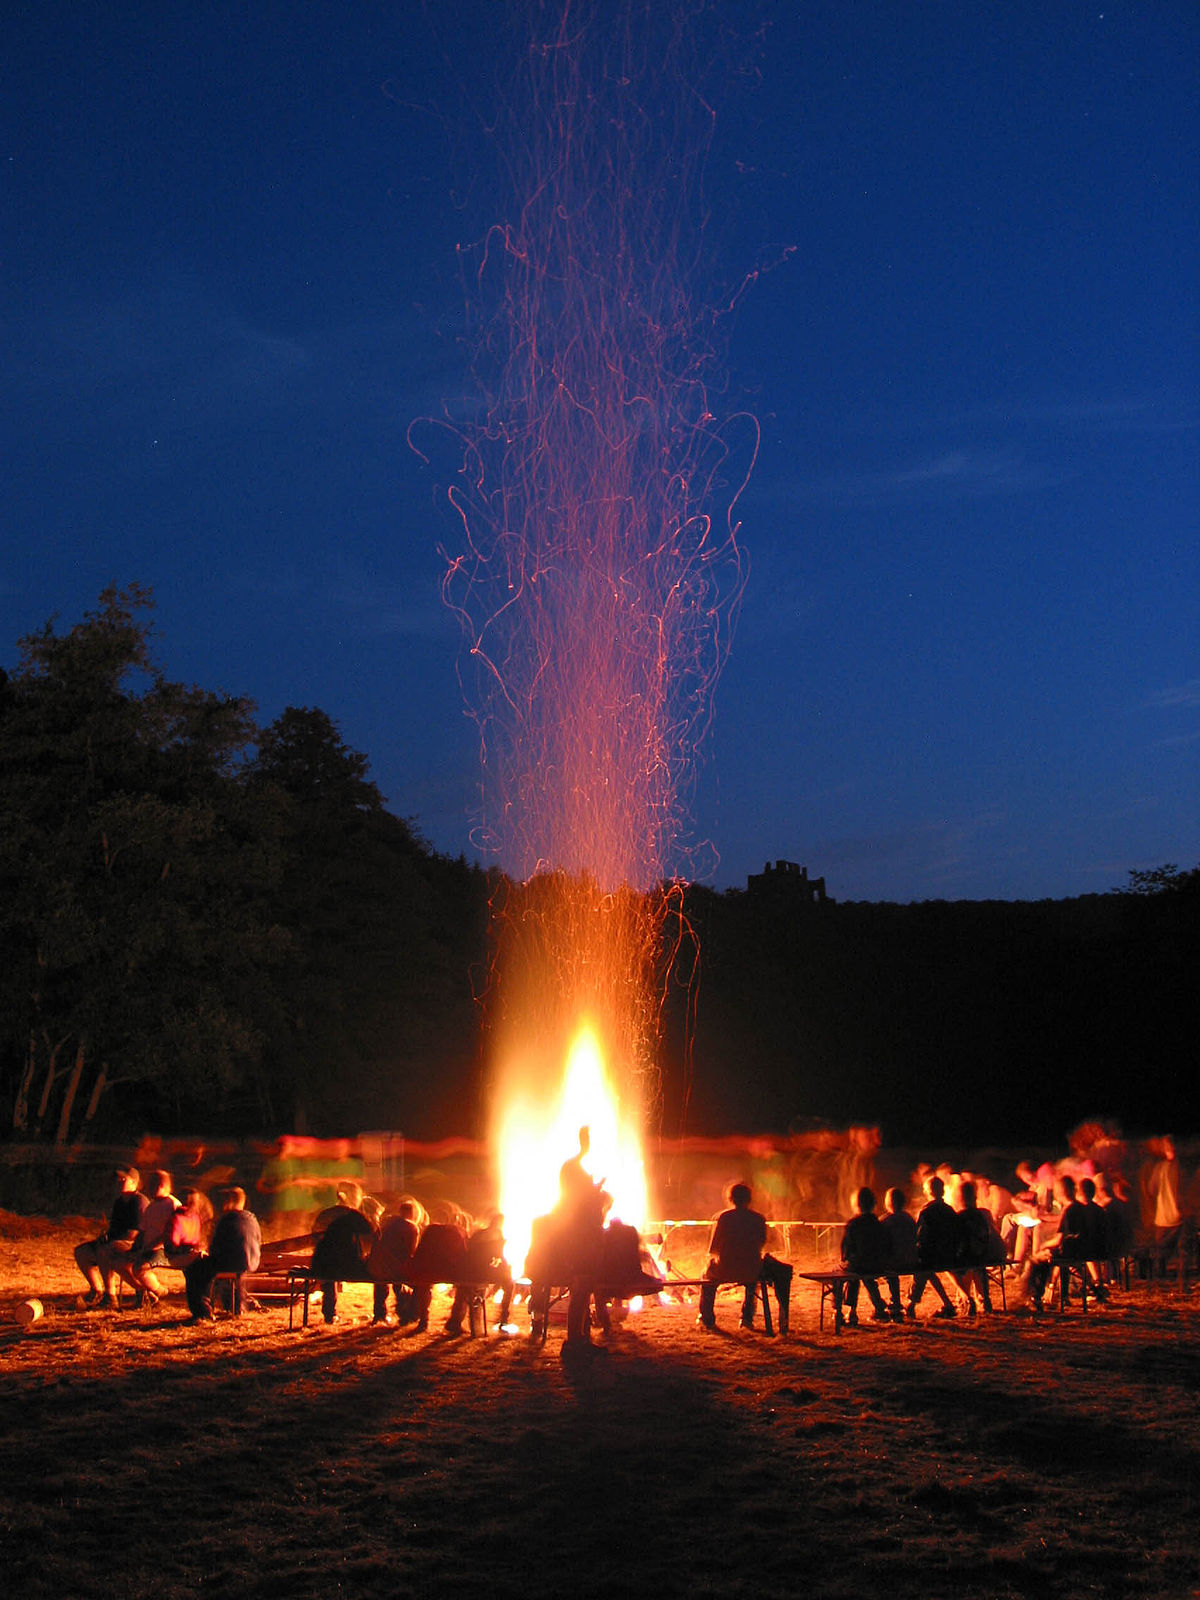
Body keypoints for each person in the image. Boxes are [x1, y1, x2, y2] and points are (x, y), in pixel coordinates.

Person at [697, 1182, 791, 1334]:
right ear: (749, 1199)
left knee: (706, 1276)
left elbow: (713, 1248)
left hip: (725, 1269)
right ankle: (747, 1318)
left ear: (731, 1198)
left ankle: (706, 1317)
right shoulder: (759, 1219)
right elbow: (762, 1243)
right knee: (753, 1281)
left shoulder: (724, 1218)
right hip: (751, 1269)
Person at [185, 1187, 262, 1322]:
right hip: (251, 1261)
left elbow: (215, 1247)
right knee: (226, 1275)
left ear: (230, 1202)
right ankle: (237, 1305)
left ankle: (202, 1311)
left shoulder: (226, 1220)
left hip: (230, 1262)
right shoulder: (252, 1218)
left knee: (194, 1269)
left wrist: (206, 1253)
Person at [75, 1167, 148, 1309]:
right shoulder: (119, 1202)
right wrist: (106, 1236)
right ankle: (96, 1290)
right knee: (81, 1252)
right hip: (116, 1241)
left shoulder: (139, 1202)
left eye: (123, 1179)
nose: (119, 1182)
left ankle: (111, 1295)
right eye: (118, 1179)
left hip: (134, 1244)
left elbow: (134, 1233)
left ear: (134, 1183)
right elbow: (114, 1227)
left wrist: (111, 1242)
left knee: (105, 1251)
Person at [310, 1189, 377, 1325]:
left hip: (323, 1266)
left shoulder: (334, 1224)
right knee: (377, 1273)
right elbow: (369, 1230)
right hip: (341, 1268)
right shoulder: (351, 1222)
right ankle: (380, 1314)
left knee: (329, 1278)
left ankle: (329, 1315)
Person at [445, 1212, 513, 1336]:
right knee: (509, 1284)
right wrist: (505, 1269)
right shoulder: (497, 1234)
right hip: (482, 1273)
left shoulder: (477, 1234)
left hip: (467, 1270)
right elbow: (498, 1256)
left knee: (466, 1289)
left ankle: (455, 1320)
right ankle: (503, 1317)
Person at [121, 1169, 181, 1308]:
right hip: (148, 1249)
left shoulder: (172, 1205)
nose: (149, 1189)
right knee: (121, 1261)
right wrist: (135, 1247)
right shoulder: (152, 1206)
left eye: (152, 1185)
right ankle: (146, 1296)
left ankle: (160, 1291)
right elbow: (143, 1230)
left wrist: (152, 1246)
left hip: (164, 1250)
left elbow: (172, 1232)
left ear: (161, 1186)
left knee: (139, 1268)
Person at [1028, 1174, 1087, 1311]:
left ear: (1060, 1192)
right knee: (1054, 1257)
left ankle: (1035, 1297)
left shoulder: (1068, 1211)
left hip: (1070, 1252)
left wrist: (1044, 1245)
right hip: (1081, 1249)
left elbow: (1059, 1240)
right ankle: (1064, 1296)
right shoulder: (1080, 1207)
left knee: (1037, 1260)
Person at [835, 1187, 892, 1329]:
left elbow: (846, 1250)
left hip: (859, 1264)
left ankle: (843, 1311)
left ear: (856, 1204)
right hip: (876, 1265)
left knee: (845, 1272)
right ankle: (878, 1306)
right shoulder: (878, 1223)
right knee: (866, 1276)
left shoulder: (853, 1224)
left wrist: (845, 1260)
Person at [908, 1175, 959, 1320]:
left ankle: (911, 1305)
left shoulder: (926, 1212)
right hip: (950, 1255)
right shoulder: (949, 1209)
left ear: (928, 1191)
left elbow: (920, 1236)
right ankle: (947, 1304)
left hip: (934, 1257)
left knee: (923, 1267)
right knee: (927, 1269)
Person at [369, 1198, 422, 1325]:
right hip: (395, 1269)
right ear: (413, 1214)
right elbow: (411, 1252)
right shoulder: (411, 1228)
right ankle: (409, 1313)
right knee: (420, 1283)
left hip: (376, 1267)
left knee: (383, 1279)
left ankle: (379, 1314)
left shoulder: (385, 1222)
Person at [954, 1179, 996, 1315]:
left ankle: (964, 1299)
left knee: (961, 1265)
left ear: (960, 1198)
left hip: (967, 1258)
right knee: (978, 1266)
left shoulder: (960, 1216)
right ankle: (984, 1299)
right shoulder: (984, 1214)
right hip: (984, 1254)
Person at [880, 1186, 918, 1323]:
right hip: (911, 1261)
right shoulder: (909, 1219)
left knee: (890, 1272)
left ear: (888, 1202)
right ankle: (906, 1303)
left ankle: (894, 1303)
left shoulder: (885, 1221)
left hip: (895, 1262)